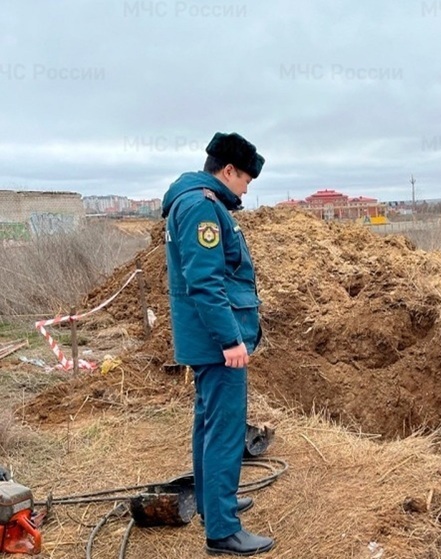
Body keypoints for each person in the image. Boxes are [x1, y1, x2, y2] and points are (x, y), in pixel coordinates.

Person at [161, 132, 274, 556]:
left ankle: (214, 503)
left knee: (209, 423)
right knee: (225, 428)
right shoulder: (202, 208)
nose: (246, 189)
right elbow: (205, 282)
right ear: (228, 171)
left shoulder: (197, 201)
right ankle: (223, 530)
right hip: (216, 341)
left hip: (205, 338)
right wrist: (230, 340)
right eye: (245, 179)